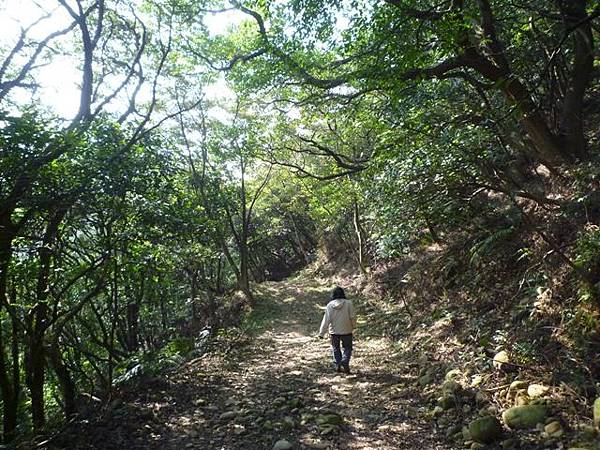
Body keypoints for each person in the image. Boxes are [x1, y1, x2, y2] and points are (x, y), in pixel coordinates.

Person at [318, 286, 357, 374]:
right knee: (347, 347)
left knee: (335, 347)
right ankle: (345, 361)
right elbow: (352, 317)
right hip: (347, 330)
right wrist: (354, 326)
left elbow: (326, 320)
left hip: (334, 331)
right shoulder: (349, 303)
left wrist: (321, 333)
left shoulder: (330, 305)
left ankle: (338, 364)